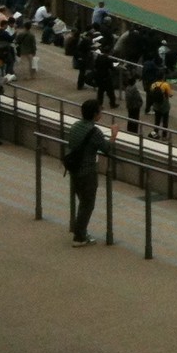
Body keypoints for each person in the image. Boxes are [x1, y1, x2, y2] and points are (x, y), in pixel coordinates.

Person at [64, 99, 117, 247]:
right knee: (87, 204)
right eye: (100, 110)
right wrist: (114, 135)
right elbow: (107, 148)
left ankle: (80, 231)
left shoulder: (75, 126)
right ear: (95, 114)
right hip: (87, 171)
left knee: (83, 201)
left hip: (74, 169)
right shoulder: (95, 132)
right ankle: (79, 236)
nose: (101, 113)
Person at [146, 74, 173, 141]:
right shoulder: (165, 85)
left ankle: (155, 133)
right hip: (164, 105)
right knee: (165, 121)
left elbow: (151, 93)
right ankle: (164, 136)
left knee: (157, 121)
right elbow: (170, 95)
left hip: (156, 105)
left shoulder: (153, 85)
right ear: (163, 77)